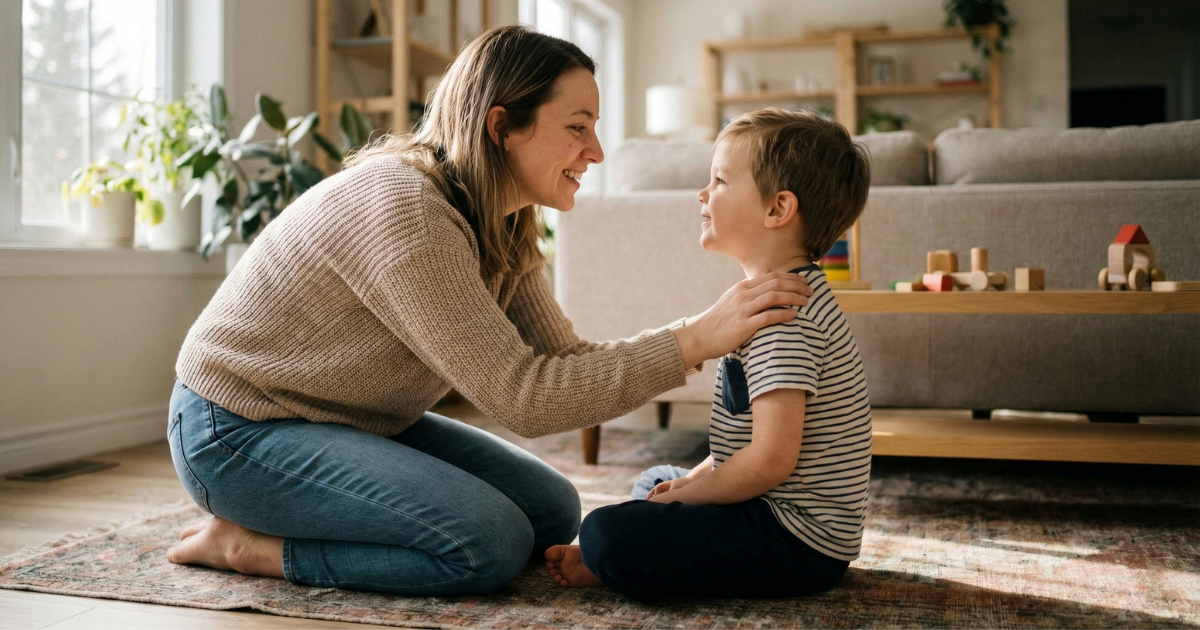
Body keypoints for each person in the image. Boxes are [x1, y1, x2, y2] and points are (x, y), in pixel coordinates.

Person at [164, 26, 813, 597]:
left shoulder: (502, 220)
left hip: (349, 418)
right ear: (501, 127)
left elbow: (561, 361)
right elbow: (525, 400)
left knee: (551, 512)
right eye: (577, 127)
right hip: (236, 428)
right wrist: (694, 338)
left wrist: (693, 337)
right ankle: (251, 548)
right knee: (488, 544)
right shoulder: (407, 209)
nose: (597, 152)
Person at [545, 107, 873, 600]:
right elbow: (739, 449)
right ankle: (636, 548)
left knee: (605, 533)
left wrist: (690, 496)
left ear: (778, 209)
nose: (702, 194)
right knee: (661, 479)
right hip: (772, 510)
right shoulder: (771, 299)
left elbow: (770, 461)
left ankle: (616, 561)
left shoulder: (785, 318)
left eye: (719, 181)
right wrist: (691, 483)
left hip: (797, 540)